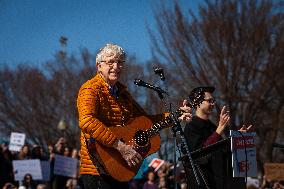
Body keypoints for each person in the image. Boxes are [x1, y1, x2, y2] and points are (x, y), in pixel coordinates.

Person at [76, 43, 192, 189]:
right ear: (99, 66)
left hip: (123, 168)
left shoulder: (123, 94)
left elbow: (147, 121)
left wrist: (177, 115)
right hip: (97, 169)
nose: (116, 66)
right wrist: (121, 147)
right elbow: (87, 121)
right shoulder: (90, 89)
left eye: (120, 62)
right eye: (110, 62)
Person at [183, 86, 252, 189]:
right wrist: (219, 129)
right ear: (198, 103)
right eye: (209, 101)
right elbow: (200, 153)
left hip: (220, 181)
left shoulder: (212, 126)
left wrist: (238, 138)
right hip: (204, 183)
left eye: (214, 100)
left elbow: (220, 150)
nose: (213, 103)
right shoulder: (192, 126)